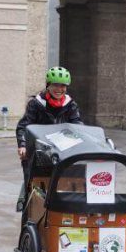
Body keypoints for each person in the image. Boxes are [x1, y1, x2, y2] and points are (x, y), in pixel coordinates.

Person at [15, 66, 82, 210]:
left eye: (63, 85)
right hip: (37, 152)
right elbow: (23, 126)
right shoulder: (36, 104)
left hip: (62, 151)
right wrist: (23, 145)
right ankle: (28, 214)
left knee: (64, 185)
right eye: (55, 85)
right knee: (34, 187)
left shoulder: (70, 105)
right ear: (48, 85)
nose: (59, 89)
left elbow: (77, 126)